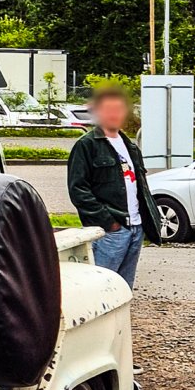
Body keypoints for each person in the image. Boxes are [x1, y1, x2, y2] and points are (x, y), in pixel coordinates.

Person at [66, 85, 164, 288]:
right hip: (111, 230)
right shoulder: (87, 146)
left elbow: (140, 187)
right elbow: (78, 189)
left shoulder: (131, 147)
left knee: (123, 288)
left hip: (135, 228)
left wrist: (145, 223)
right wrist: (109, 223)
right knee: (102, 287)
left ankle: (120, 321)